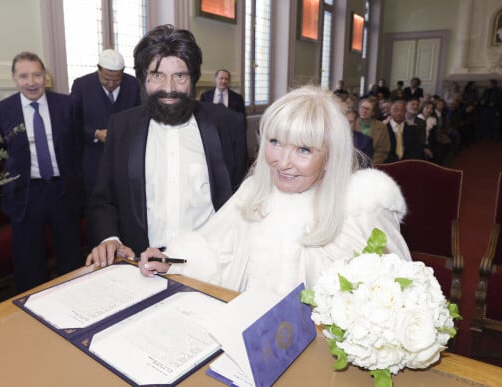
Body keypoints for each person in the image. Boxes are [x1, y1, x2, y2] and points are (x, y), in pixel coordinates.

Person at [138, 85, 411, 295]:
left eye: (303, 149)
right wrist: (174, 263)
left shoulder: (359, 211)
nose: (282, 162)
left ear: (331, 157)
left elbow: (385, 301)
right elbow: (216, 252)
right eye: (276, 142)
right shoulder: (254, 191)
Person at [86, 24, 248, 267]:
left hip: (211, 262)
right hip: (142, 263)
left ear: (193, 78)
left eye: (179, 76)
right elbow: (103, 200)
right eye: (157, 75)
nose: (169, 88)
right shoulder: (122, 126)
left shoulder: (227, 123)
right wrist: (110, 238)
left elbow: (242, 197)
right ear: (143, 79)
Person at [0, 52, 84, 292]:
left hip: (63, 190)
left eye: (37, 75)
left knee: (71, 254)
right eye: (24, 76)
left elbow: (77, 147)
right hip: (25, 194)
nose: (31, 82)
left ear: (46, 77)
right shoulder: (1, 110)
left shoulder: (68, 105)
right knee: (28, 260)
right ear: (14, 79)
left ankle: (75, 298)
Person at [70, 49, 141, 204]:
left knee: (124, 203)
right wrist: (95, 134)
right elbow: (72, 122)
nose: (111, 84)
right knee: (95, 205)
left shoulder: (133, 84)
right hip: (93, 160)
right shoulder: (81, 85)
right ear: (98, 69)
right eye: (106, 79)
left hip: (125, 158)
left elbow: (140, 118)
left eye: (116, 80)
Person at [356, 98, 390, 164]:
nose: (364, 111)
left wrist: (370, 163)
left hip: (373, 164)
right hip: (353, 164)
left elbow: (383, 151)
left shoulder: (382, 127)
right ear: (358, 109)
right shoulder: (351, 123)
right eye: (362, 107)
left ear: (373, 112)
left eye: (368, 109)